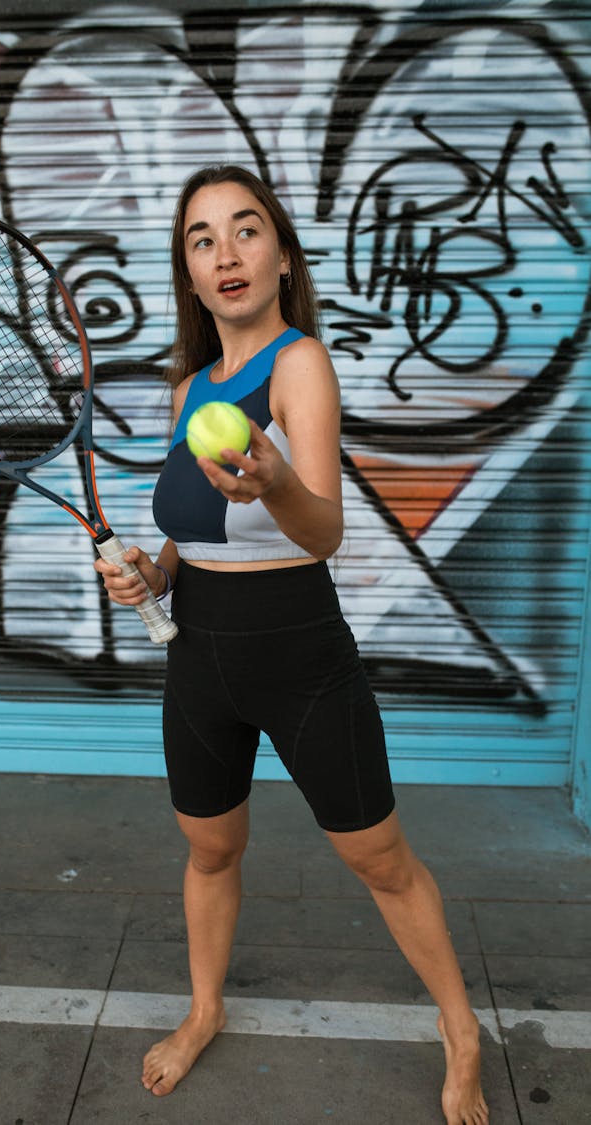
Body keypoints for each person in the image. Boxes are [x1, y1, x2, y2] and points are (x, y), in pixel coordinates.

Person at [94, 164, 489, 1125]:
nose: (225, 254)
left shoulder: (301, 364)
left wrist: (273, 479)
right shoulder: (191, 385)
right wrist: (151, 572)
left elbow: (323, 530)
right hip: (201, 656)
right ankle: (204, 1008)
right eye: (202, 239)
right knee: (210, 848)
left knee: (381, 857)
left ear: (279, 253)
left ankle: (463, 1032)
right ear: (188, 273)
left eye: (245, 230)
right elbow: (193, 539)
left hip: (299, 650)